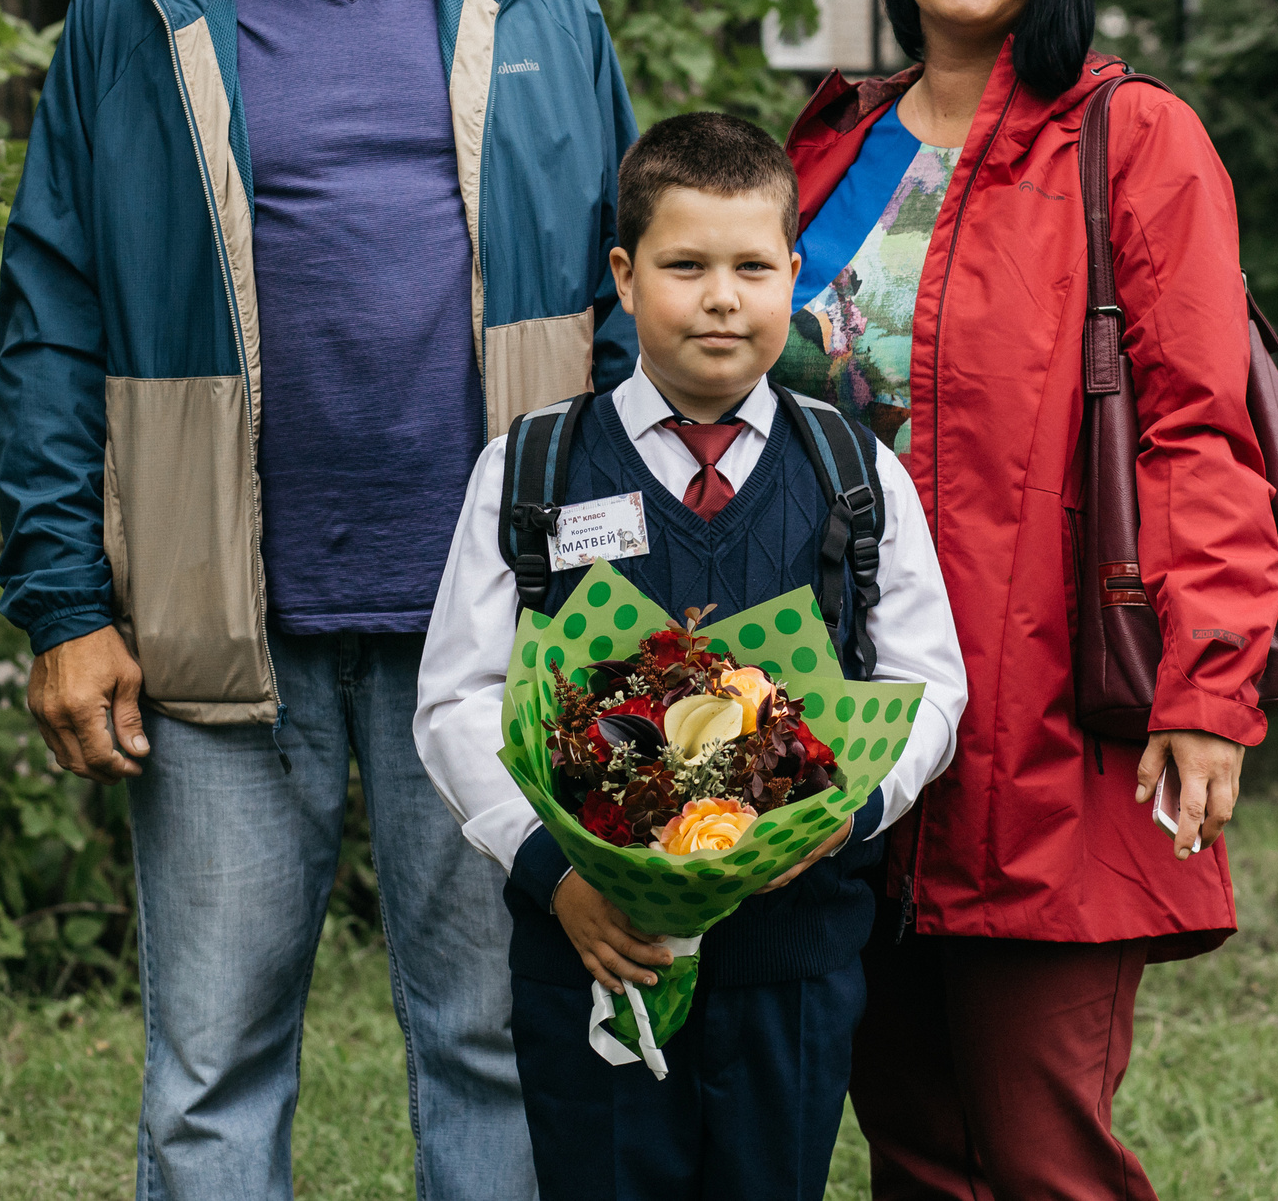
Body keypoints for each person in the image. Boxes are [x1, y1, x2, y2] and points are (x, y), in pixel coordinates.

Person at [0, 0, 637, 1201]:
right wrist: (65, 596)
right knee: (211, 1068)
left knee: (494, 1045)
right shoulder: (141, 8)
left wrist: (620, 578)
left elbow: (627, 299)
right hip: (219, 623)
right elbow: (53, 314)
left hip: (493, 619)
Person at [773, 0, 1278, 1200]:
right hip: (847, 717)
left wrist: (1207, 688)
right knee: (915, 1144)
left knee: (1045, 1148)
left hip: (1050, 721)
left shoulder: (1136, 141)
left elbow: (1198, 431)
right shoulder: (835, 145)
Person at [415, 113, 969, 1201]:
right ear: (624, 277)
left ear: (794, 276)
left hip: (793, 965)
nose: (722, 296)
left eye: (753, 267)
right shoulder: (532, 467)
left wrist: (847, 815)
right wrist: (559, 875)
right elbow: (460, 700)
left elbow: (928, 685)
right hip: (595, 953)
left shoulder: (855, 474)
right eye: (685, 266)